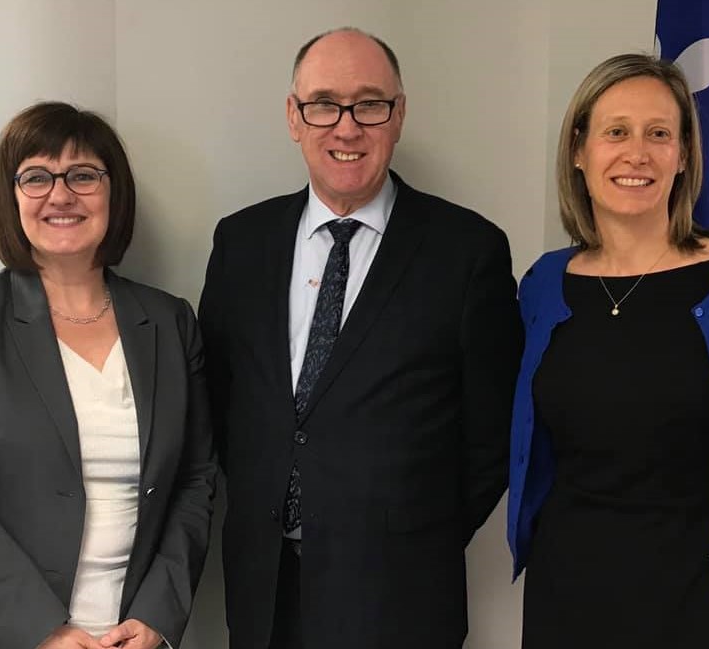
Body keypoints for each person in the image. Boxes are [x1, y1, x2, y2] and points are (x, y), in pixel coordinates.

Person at [199, 27, 522, 649]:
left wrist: (408, 534)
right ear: (293, 117)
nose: (346, 128)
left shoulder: (467, 251)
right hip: (263, 594)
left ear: (398, 115)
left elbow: (492, 436)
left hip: (400, 599)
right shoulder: (241, 242)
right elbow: (222, 401)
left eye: (369, 104)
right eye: (323, 104)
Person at [507, 53, 709, 648]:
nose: (638, 153)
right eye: (616, 132)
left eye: (660, 133)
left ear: (683, 155)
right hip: (567, 609)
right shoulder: (541, 287)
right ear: (579, 150)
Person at [0, 102, 217, 649]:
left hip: (125, 637)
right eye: (37, 176)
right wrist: (42, 632)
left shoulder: (170, 321)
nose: (61, 194)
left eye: (83, 175)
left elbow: (195, 480)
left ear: (114, 193)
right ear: (11, 196)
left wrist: (159, 617)